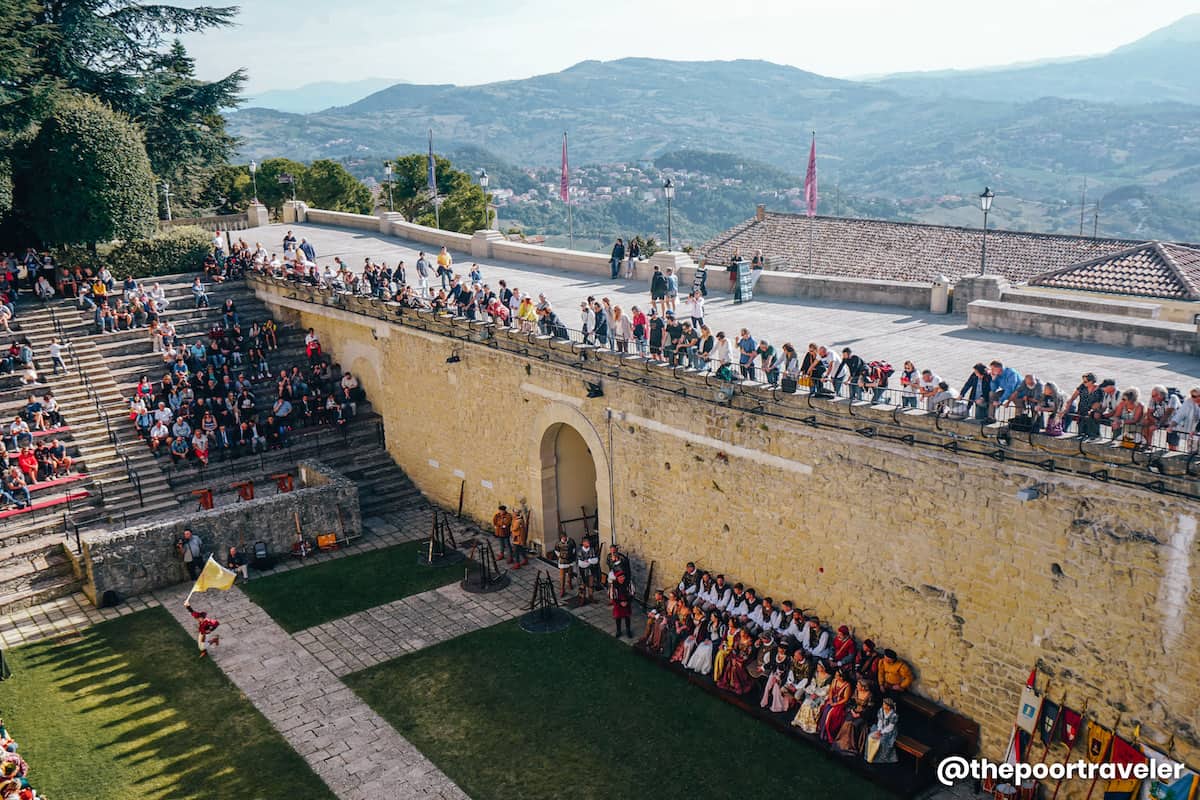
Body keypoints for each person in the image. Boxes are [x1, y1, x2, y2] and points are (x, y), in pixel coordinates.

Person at [793, 660, 833, 733]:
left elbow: (826, 689)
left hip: (822, 695)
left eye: (819, 666)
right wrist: (812, 692)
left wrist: (817, 694)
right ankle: (801, 722)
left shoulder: (829, 677)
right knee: (806, 703)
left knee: (811, 707)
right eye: (817, 666)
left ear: (823, 668)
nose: (817, 668)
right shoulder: (816, 673)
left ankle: (809, 726)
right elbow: (813, 683)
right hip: (813, 693)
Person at [866, 698, 900, 763]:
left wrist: (882, 732)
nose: (883, 705)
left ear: (888, 706)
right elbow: (880, 721)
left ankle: (879, 758)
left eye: (884, 704)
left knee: (882, 741)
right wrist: (879, 730)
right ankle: (869, 755)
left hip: (889, 731)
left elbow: (890, 727)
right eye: (883, 704)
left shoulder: (893, 715)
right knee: (870, 737)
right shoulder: (881, 711)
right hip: (880, 728)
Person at [576, 534, 600, 603]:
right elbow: (581, 561)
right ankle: (581, 598)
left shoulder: (592, 549)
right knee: (582, 585)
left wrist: (589, 561)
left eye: (588, 542)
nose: (588, 543)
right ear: (583, 543)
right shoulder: (579, 550)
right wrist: (589, 561)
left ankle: (591, 596)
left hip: (590, 569)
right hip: (582, 570)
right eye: (586, 542)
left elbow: (595, 559)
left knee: (591, 584)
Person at [554, 532, 577, 597]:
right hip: (562, 561)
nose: (564, 538)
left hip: (570, 559)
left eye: (565, 537)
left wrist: (572, 556)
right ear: (561, 538)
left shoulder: (571, 541)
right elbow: (556, 551)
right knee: (562, 575)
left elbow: (574, 549)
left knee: (570, 572)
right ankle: (562, 589)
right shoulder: (558, 543)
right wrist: (560, 556)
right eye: (563, 538)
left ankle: (569, 582)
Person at [611, 571, 633, 637]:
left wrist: (627, 602)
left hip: (627, 602)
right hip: (618, 603)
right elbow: (612, 595)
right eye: (620, 577)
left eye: (623, 577)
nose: (622, 578)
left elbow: (632, 593)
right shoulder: (614, 585)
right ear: (617, 578)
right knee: (618, 617)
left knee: (627, 617)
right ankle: (618, 631)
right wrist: (620, 603)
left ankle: (628, 630)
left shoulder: (628, 583)